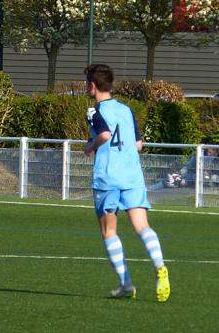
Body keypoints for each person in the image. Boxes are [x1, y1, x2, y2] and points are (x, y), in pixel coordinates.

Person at [83, 64, 171, 302]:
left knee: (109, 230)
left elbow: (103, 135)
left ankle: (126, 283)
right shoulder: (127, 109)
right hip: (132, 175)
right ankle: (160, 265)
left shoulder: (94, 111)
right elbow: (139, 144)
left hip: (108, 177)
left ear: (92, 86)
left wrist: (89, 147)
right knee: (142, 226)